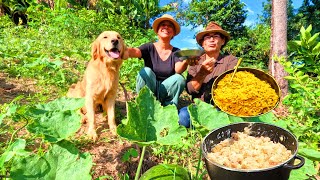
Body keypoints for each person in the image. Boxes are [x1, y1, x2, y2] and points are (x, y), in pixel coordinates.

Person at [178, 21, 238, 128]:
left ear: (222, 41)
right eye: (207, 37)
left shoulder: (231, 61)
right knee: (183, 116)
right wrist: (202, 73)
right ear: (202, 43)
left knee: (233, 120)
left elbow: (232, 87)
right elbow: (190, 90)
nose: (212, 39)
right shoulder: (195, 60)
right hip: (199, 108)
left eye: (216, 36)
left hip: (221, 108)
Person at [127, 14, 188, 106]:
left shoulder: (176, 51)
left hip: (166, 91)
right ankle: (144, 104)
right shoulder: (149, 47)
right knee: (145, 71)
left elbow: (178, 70)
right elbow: (135, 52)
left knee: (179, 78)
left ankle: (168, 109)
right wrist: (120, 49)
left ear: (173, 33)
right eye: (163, 25)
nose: (166, 27)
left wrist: (187, 61)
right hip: (150, 87)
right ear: (158, 31)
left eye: (170, 26)